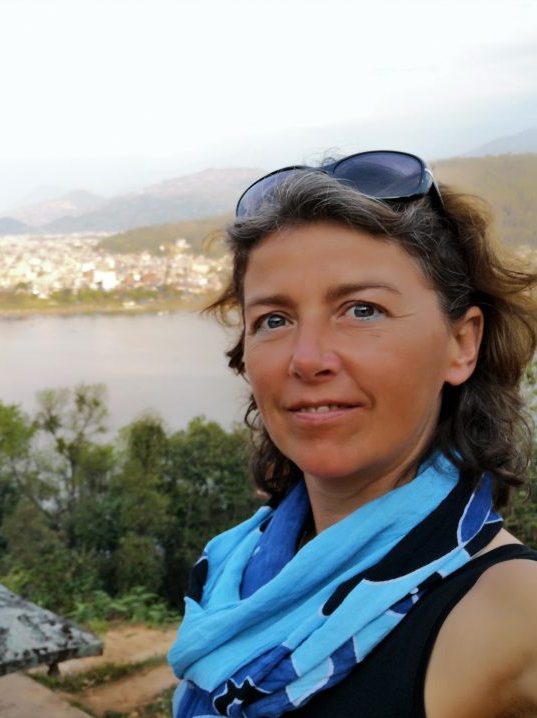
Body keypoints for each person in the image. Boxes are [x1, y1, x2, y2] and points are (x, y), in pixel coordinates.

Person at [167, 151, 537, 718]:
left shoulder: (509, 611)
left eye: (362, 310)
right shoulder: (232, 570)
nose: (307, 358)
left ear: (461, 344)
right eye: (274, 319)